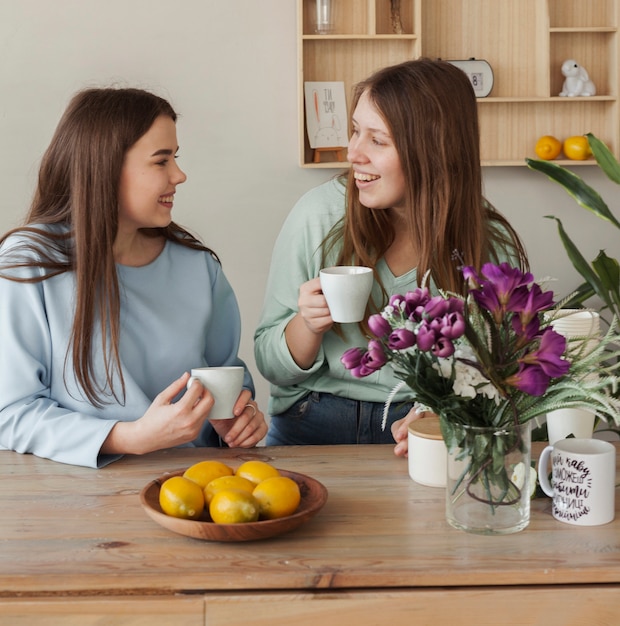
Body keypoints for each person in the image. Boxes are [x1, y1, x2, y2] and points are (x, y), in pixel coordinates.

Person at [254, 58, 528, 454]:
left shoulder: (489, 245)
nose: (353, 153)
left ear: (433, 151)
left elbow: (503, 375)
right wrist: (307, 326)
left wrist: (440, 411)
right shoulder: (318, 215)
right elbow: (270, 364)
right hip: (310, 417)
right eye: (354, 131)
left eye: (377, 140)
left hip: (421, 427)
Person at [0, 87, 267, 468]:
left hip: (188, 488)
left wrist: (237, 420)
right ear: (104, 167)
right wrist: (132, 437)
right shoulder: (28, 264)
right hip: (68, 493)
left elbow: (227, 378)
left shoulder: (198, 266)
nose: (180, 174)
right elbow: (9, 413)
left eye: (176, 158)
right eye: (161, 161)